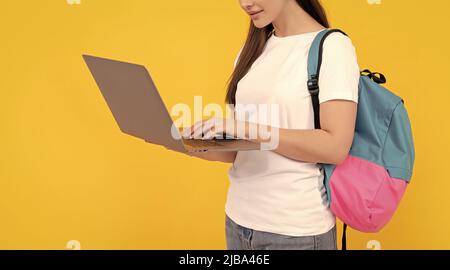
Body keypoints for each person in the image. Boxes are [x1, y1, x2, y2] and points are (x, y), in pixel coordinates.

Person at [183, 0, 360, 250]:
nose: (245, 3)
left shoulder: (332, 47)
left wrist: (246, 128)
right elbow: (238, 152)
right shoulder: (253, 50)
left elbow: (335, 147)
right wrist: (190, 144)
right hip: (239, 221)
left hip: (295, 232)